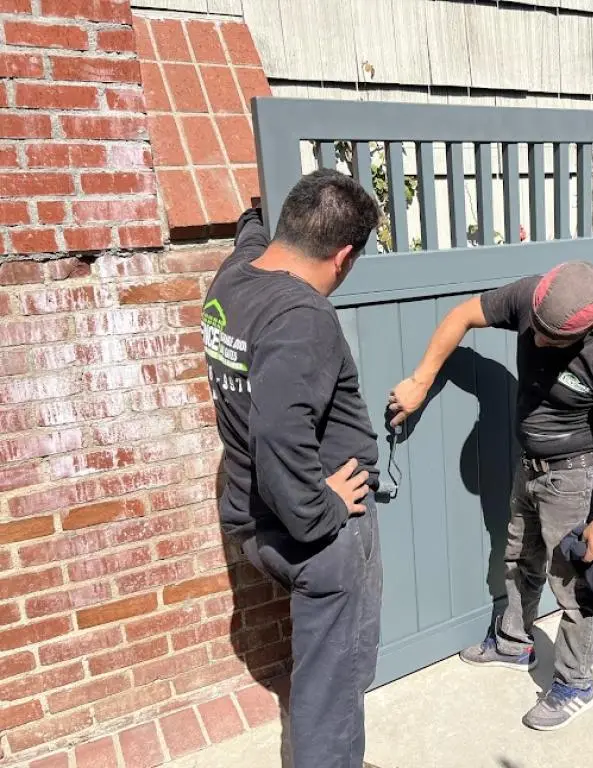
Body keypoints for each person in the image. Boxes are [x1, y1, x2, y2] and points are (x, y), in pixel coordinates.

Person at [388, 261, 593, 731]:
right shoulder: (531, 299)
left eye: (553, 338)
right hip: (526, 467)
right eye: (537, 331)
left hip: (575, 478)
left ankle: (574, 683)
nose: (538, 340)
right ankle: (512, 641)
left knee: (574, 586)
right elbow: (462, 315)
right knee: (517, 558)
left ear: (590, 325)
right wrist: (421, 380)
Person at [202, 170, 383, 768]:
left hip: (252, 514)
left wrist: (251, 216)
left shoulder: (234, 279)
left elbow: (249, 239)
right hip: (317, 533)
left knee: (327, 673)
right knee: (331, 689)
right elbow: (278, 430)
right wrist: (322, 508)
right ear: (344, 256)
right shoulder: (302, 316)